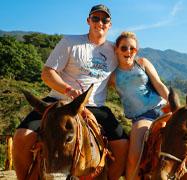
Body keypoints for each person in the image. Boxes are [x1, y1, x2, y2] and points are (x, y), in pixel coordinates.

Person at [12, 4, 128, 180]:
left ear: (110, 25)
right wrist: (67, 90)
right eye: (95, 18)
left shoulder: (114, 50)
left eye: (105, 19)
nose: (100, 22)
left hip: (95, 106)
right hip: (58, 102)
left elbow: (131, 64)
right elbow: (47, 73)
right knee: (22, 136)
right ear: (88, 21)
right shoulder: (70, 42)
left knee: (122, 145)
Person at [110, 31, 187, 180]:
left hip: (163, 108)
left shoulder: (142, 63)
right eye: (124, 48)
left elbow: (159, 84)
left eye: (133, 49)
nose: (129, 52)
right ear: (116, 49)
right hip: (142, 116)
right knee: (135, 154)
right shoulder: (113, 76)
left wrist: (176, 109)